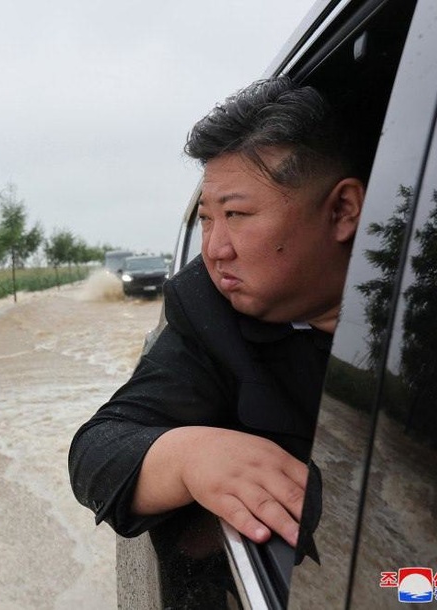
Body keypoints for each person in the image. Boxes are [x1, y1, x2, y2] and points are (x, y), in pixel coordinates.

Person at [68, 76, 366, 555]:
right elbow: (97, 453)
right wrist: (188, 456)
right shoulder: (208, 310)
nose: (214, 250)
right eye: (206, 218)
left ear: (342, 211)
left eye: (238, 215)